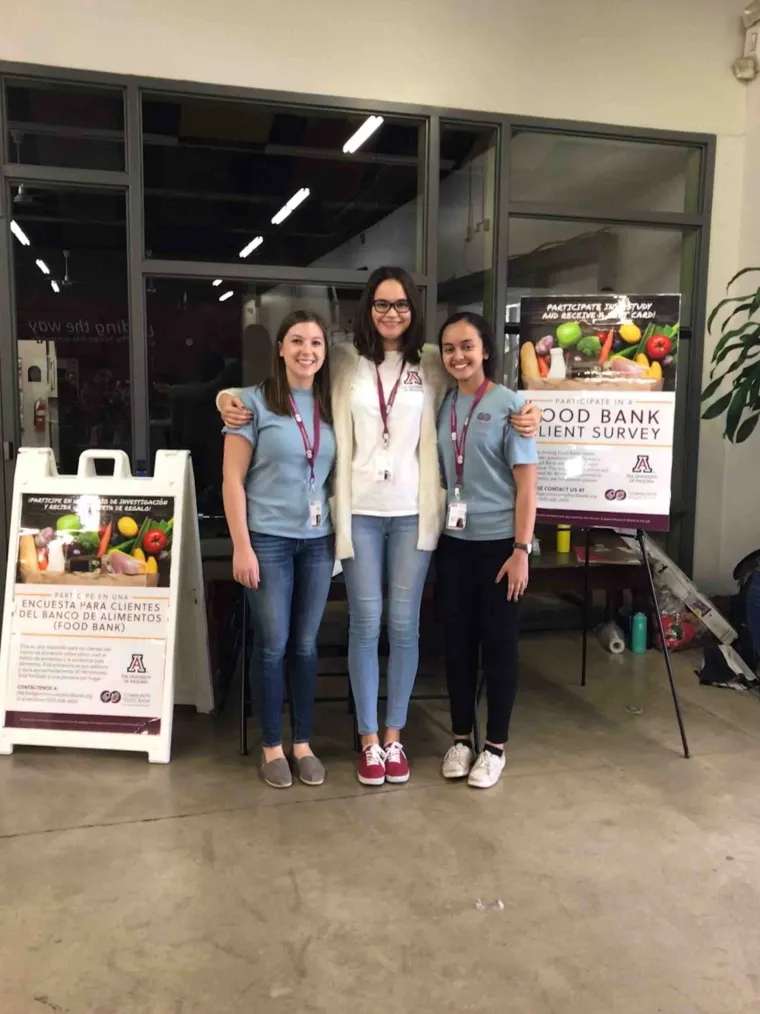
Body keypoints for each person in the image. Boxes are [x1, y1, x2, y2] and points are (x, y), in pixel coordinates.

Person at [218, 268, 541, 787]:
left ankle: (395, 738)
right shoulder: (343, 358)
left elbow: (480, 386)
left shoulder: (433, 361)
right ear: (368, 308)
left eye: (402, 305)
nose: (392, 314)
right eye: (382, 304)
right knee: (365, 625)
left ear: (413, 310)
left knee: (405, 626)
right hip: (360, 513)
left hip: (413, 513)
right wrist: (223, 400)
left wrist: (529, 412)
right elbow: (279, 385)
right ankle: (368, 741)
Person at [222, 310, 336, 789]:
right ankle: (272, 746)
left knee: (307, 645)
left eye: (315, 342)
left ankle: (302, 742)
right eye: (296, 341)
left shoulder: (331, 404)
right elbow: (231, 479)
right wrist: (241, 546)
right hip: (266, 541)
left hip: (317, 542)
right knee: (273, 645)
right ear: (281, 349)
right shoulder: (252, 403)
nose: (306, 350)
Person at [435, 311, 538, 789]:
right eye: (450, 348)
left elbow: (526, 486)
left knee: (498, 646)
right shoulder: (443, 404)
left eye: (467, 346)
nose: (459, 356)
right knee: (456, 645)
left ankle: (494, 746)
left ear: (486, 350)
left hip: (500, 546)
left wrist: (521, 549)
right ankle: (461, 739)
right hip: (453, 544)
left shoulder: (512, 405)